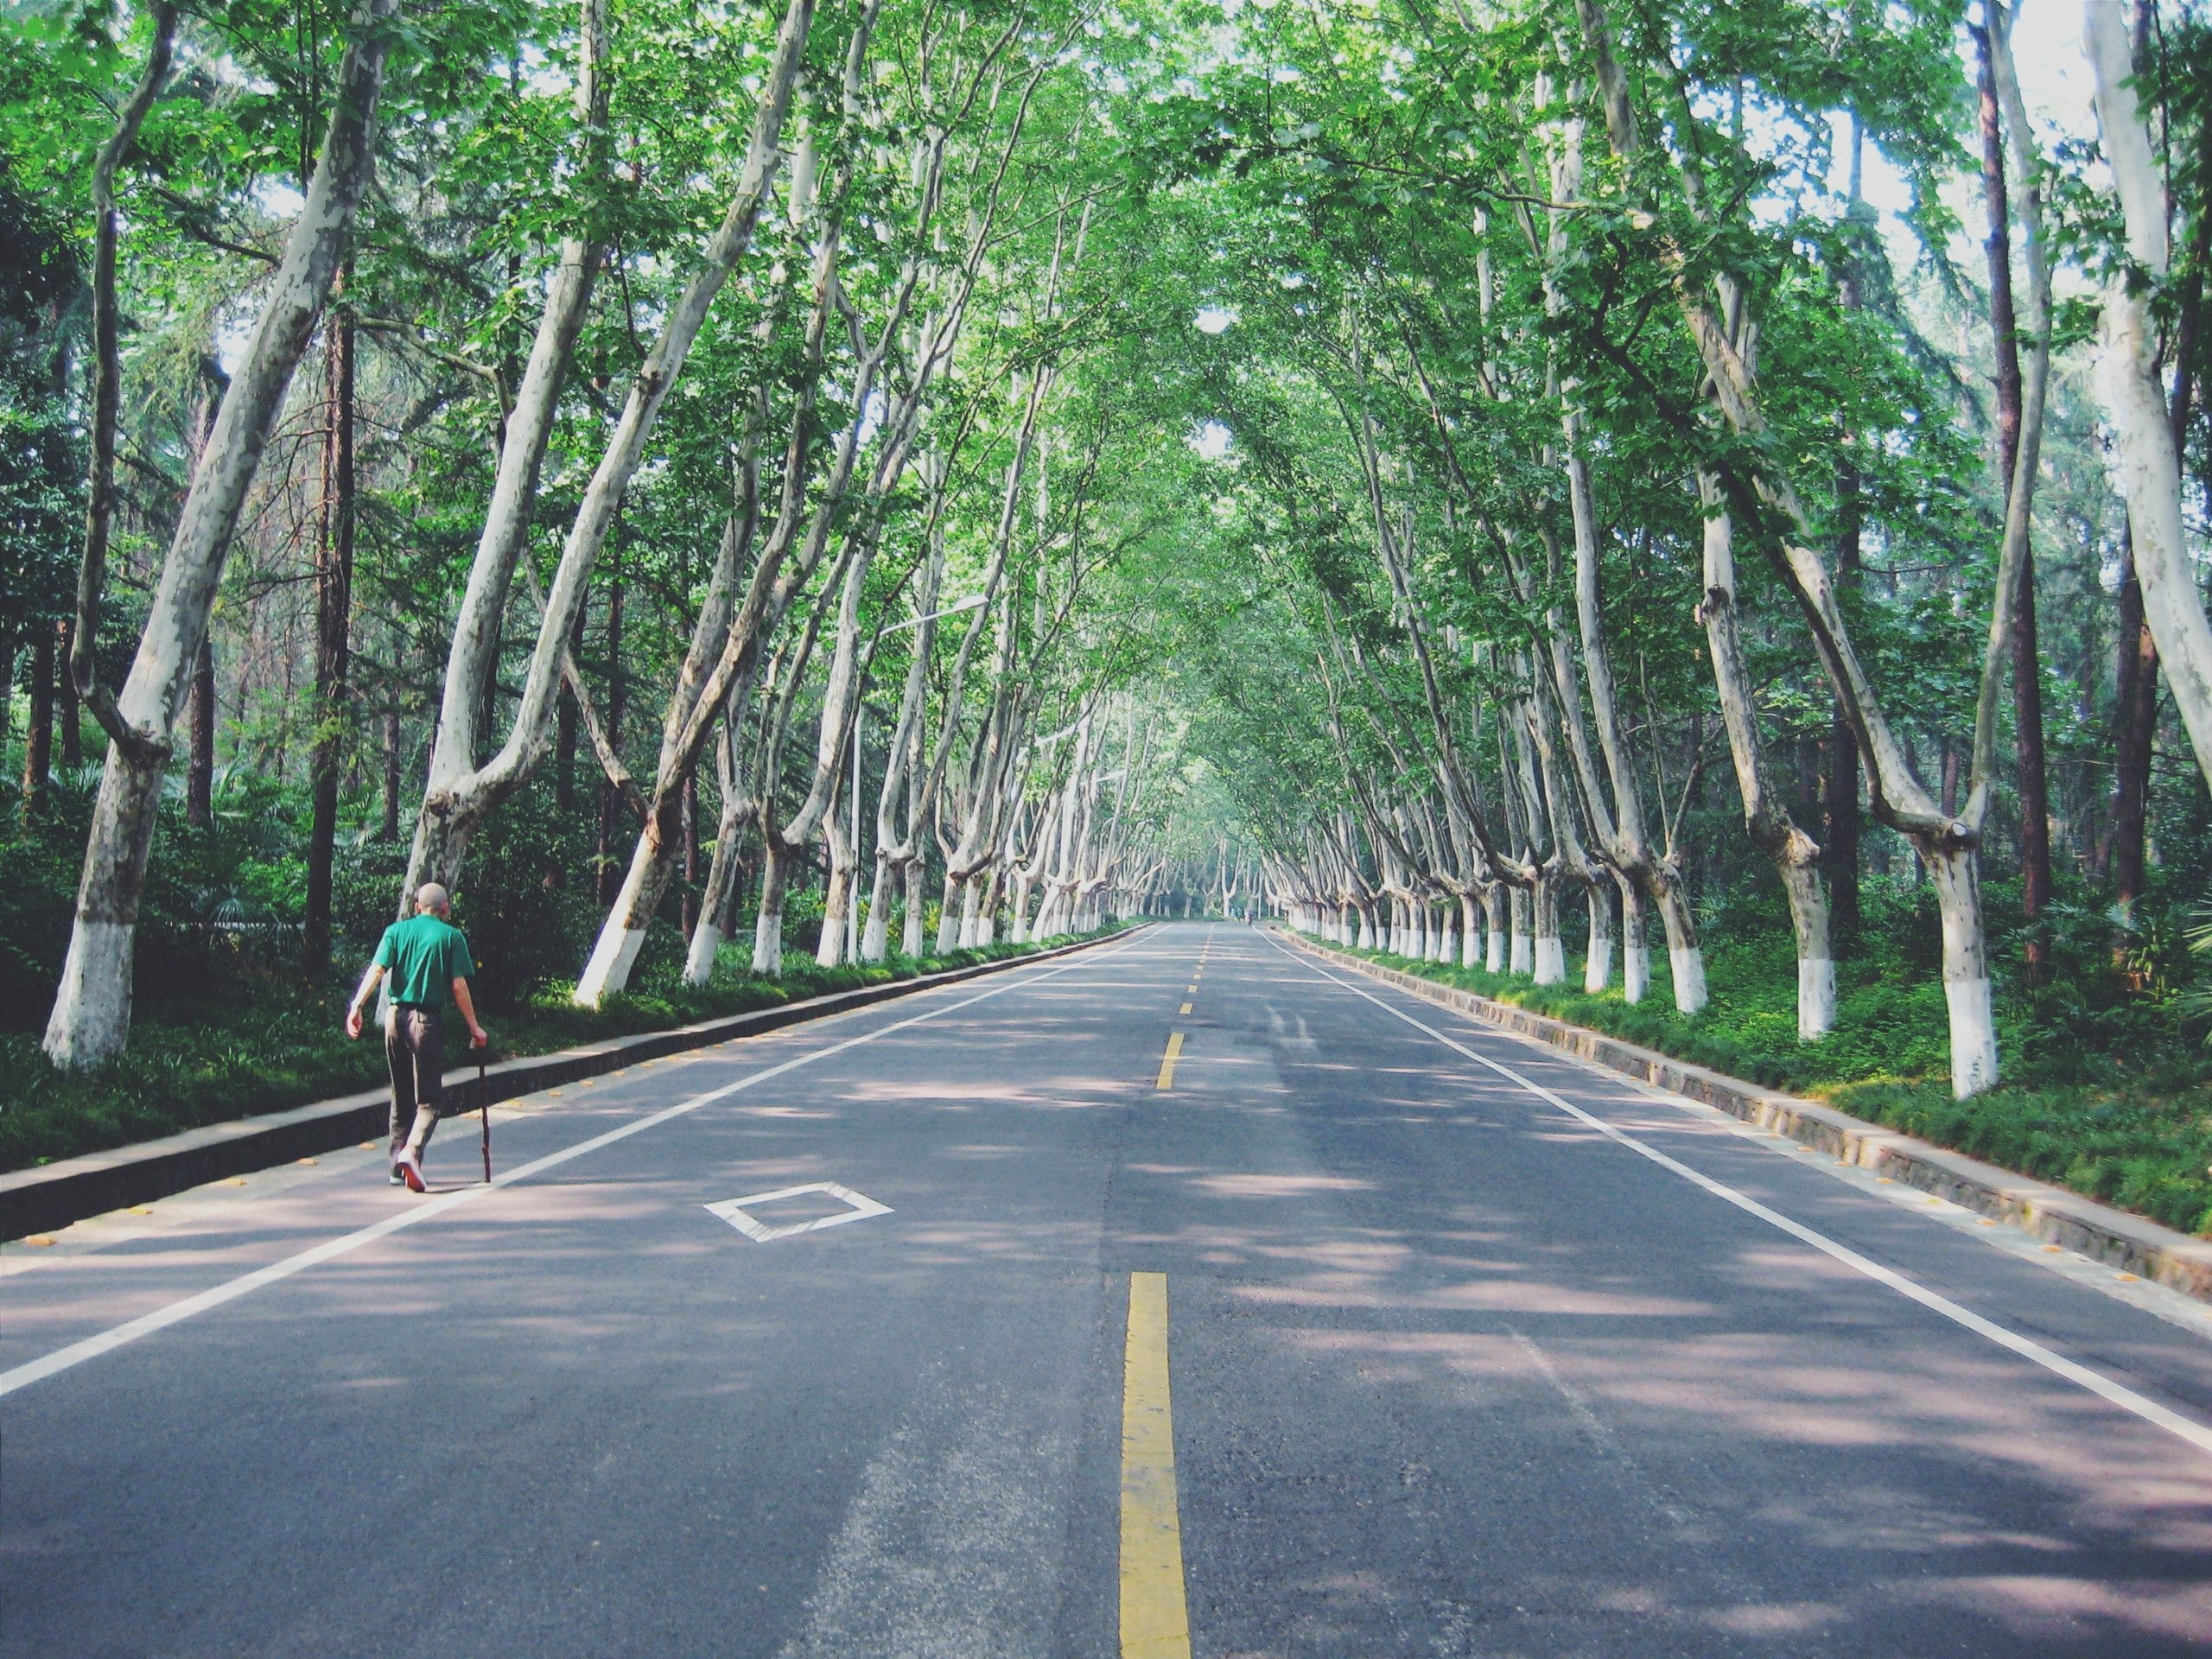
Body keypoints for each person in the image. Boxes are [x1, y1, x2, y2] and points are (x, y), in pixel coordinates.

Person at [345, 883, 487, 1192]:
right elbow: (458, 986)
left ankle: (397, 1166)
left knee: (401, 1094)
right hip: (426, 1021)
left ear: (416, 906)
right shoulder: (451, 937)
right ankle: (413, 1151)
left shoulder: (396, 931)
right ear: (446, 908)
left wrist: (357, 1005)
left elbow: (377, 970)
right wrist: (474, 1027)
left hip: (394, 1019)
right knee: (430, 1102)